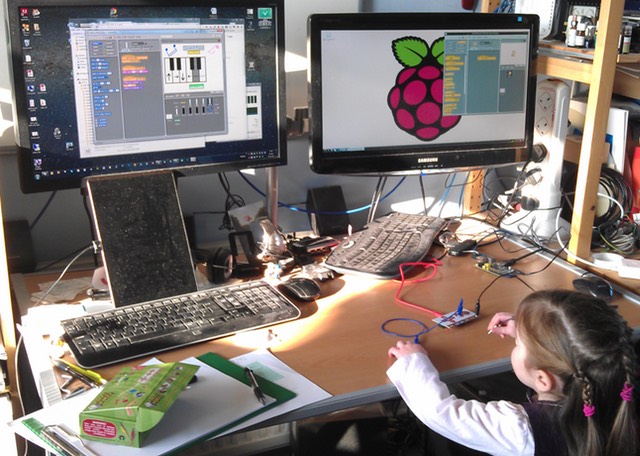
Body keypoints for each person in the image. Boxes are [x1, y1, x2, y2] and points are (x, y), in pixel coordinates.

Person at [387, 289, 639, 456]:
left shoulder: (522, 429)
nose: (517, 343)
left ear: (543, 380)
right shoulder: (620, 387)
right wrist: (531, 332)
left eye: (520, 344)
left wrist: (414, 363)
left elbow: (443, 414)